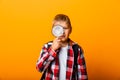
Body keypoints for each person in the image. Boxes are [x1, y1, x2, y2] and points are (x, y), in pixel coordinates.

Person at [36, 14, 88, 80]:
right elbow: (39, 68)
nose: (62, 32)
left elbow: (82, 75)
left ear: (70, 30)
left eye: (65, 28)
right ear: (53, 30)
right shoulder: (47, 46)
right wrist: (52, 49)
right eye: (58, 28)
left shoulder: (77, 49)